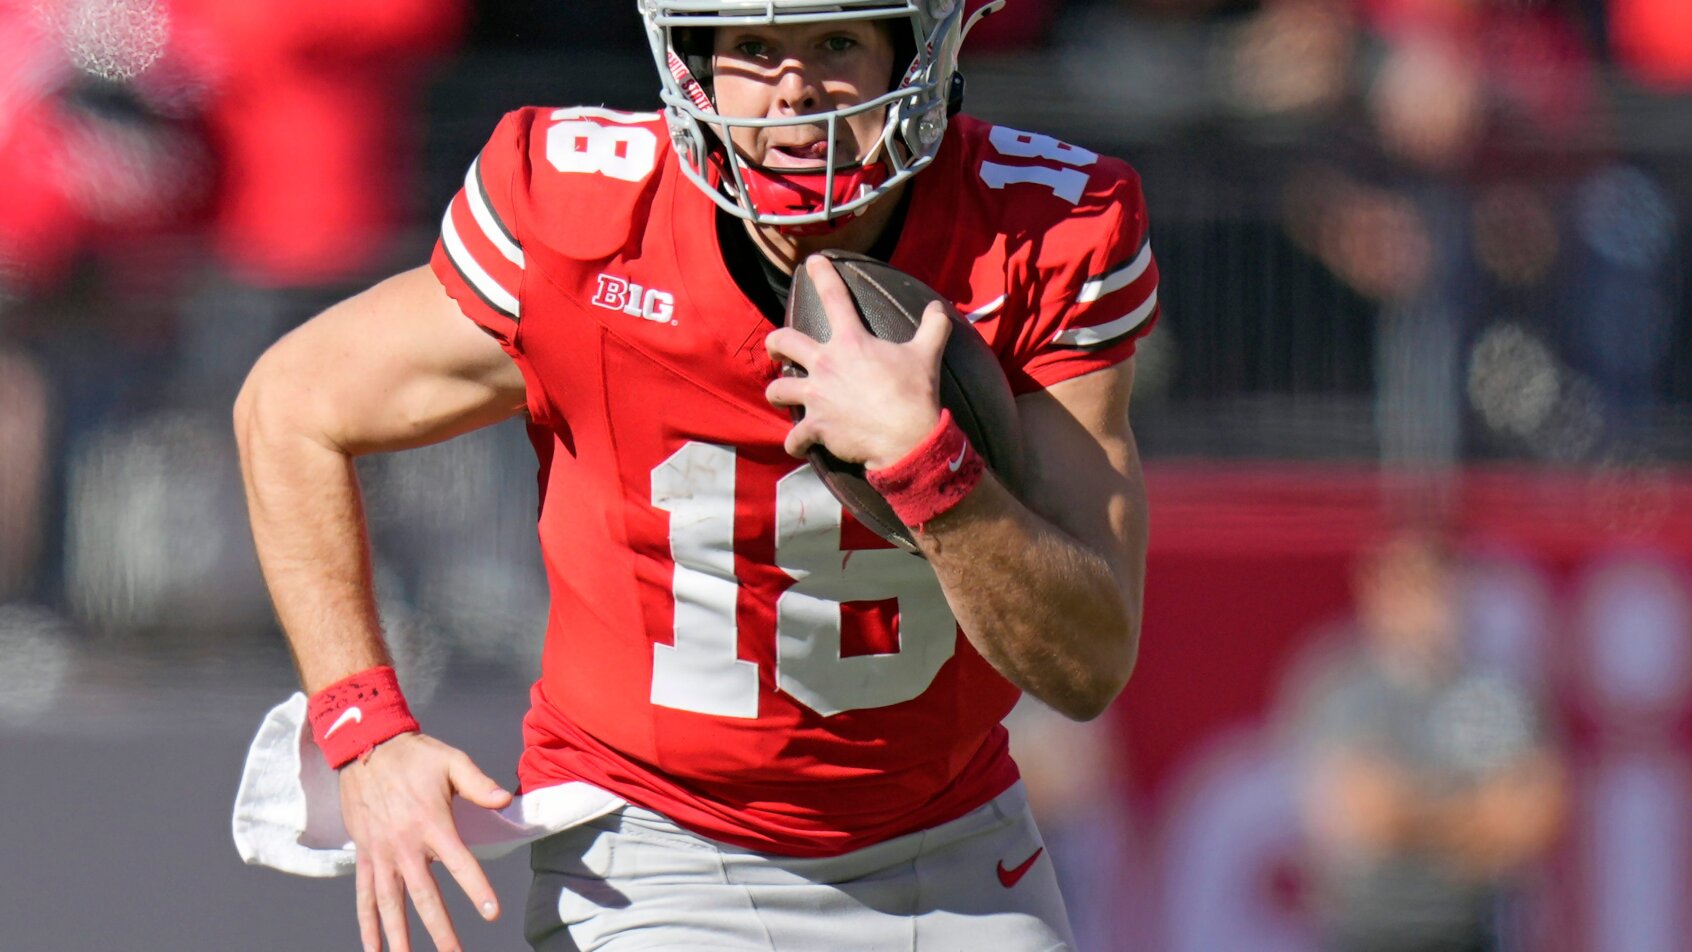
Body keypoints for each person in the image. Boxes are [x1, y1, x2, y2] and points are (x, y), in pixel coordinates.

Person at [233, 0, 1159, 948]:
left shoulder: (1044, 230)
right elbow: (291, 408)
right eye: (754, 48)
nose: (793, 86)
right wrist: (365, 733)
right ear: (691, 60)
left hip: (950, 849)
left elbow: (1085, 666)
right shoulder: (585, 214)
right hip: (653, 849)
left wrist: (931, 468)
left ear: (919, 53)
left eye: (836, 42)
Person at [1285, 531, 1566, 952]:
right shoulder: (1341, 686)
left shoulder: (1498, 691)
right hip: (1366, 933)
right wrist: (1472, 818)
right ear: (1376, 588)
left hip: (1471, 932)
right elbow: (1362, 816)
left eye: (1442, 581)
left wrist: (1408, 813)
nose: (1431, 601)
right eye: (1413, 583)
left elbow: (1532, 820)